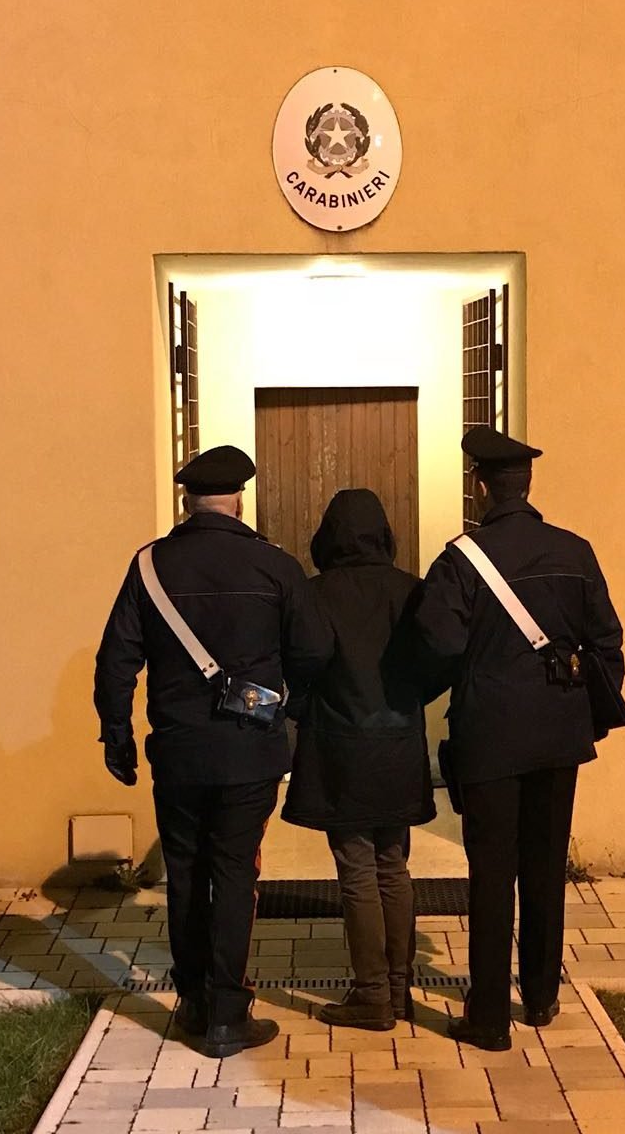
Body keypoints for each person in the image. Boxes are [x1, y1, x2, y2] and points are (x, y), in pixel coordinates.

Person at [93, 445, 332, 1058]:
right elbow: (313, 652)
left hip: (177, 750)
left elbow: (116, 660)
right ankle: (228, 1012)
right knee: (233, 871)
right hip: (249, 751)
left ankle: (194, 1002)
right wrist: (289, 705)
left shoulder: (149, 566)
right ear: (239, 500)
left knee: (185, 872)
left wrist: (117, 737)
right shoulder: (275, 566)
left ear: (187, 501)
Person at [412, 427, 625, 1051]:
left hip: (489, 739)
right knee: (544, 866)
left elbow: (438, 645)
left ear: (480, 487)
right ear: (526, 486)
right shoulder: (575, 552)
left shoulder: (461, 560)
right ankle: (539, 995)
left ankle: (487, 1015)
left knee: (490, 872)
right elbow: (607, 641)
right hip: (558, 736)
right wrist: (585, 713)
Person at [281, 489, 435, 1031]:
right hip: (399, 744)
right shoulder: (411, 590)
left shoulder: (315, 593)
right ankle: (398, 987)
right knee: (394, 864)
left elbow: (303, 662)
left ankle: (370, 993)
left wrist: (301, 707)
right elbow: (436, 655)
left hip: (340, 745)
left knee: (356, 869)